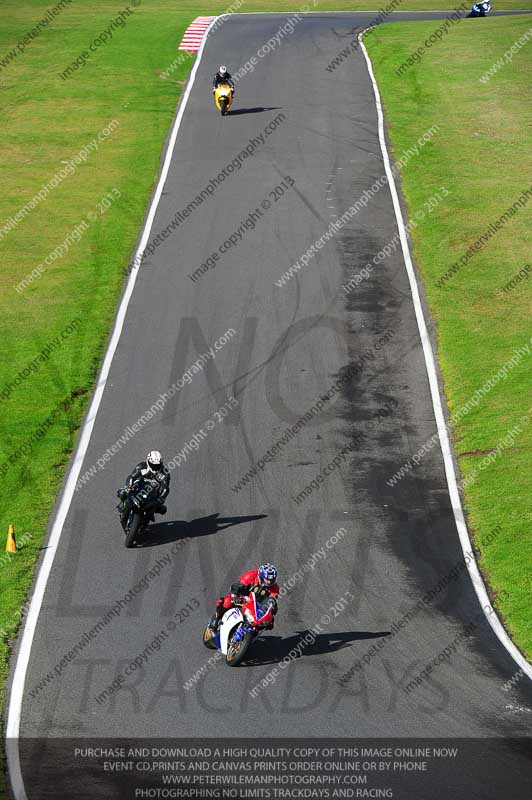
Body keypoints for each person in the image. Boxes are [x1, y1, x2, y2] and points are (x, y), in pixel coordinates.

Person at [210, 563, 279, 631]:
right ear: (261, 576)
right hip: (242, 597)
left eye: (272, 580)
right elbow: (236, 586)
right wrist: (235, 597)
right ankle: (216, 617)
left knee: (270, 624)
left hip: (256, 605)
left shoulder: (275, 588)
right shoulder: (251, 575)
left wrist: (272, 606)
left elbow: (272, 600)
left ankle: (253, 633)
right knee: (227, 601)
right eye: (267, 579)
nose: (269, 582)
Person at [117, 450, 170, 522]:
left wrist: (161, 499)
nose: (155, 467)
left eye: (157, 465)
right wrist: (129, 485)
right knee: (122, 493)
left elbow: (165, 488)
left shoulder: (165, 473)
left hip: (153, 494)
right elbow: (131, 477)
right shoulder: (141, 466)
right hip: (138, 487)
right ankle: (124, 506)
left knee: (163, 509)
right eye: (153, 465)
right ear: (148, 462)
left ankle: (148, 517)